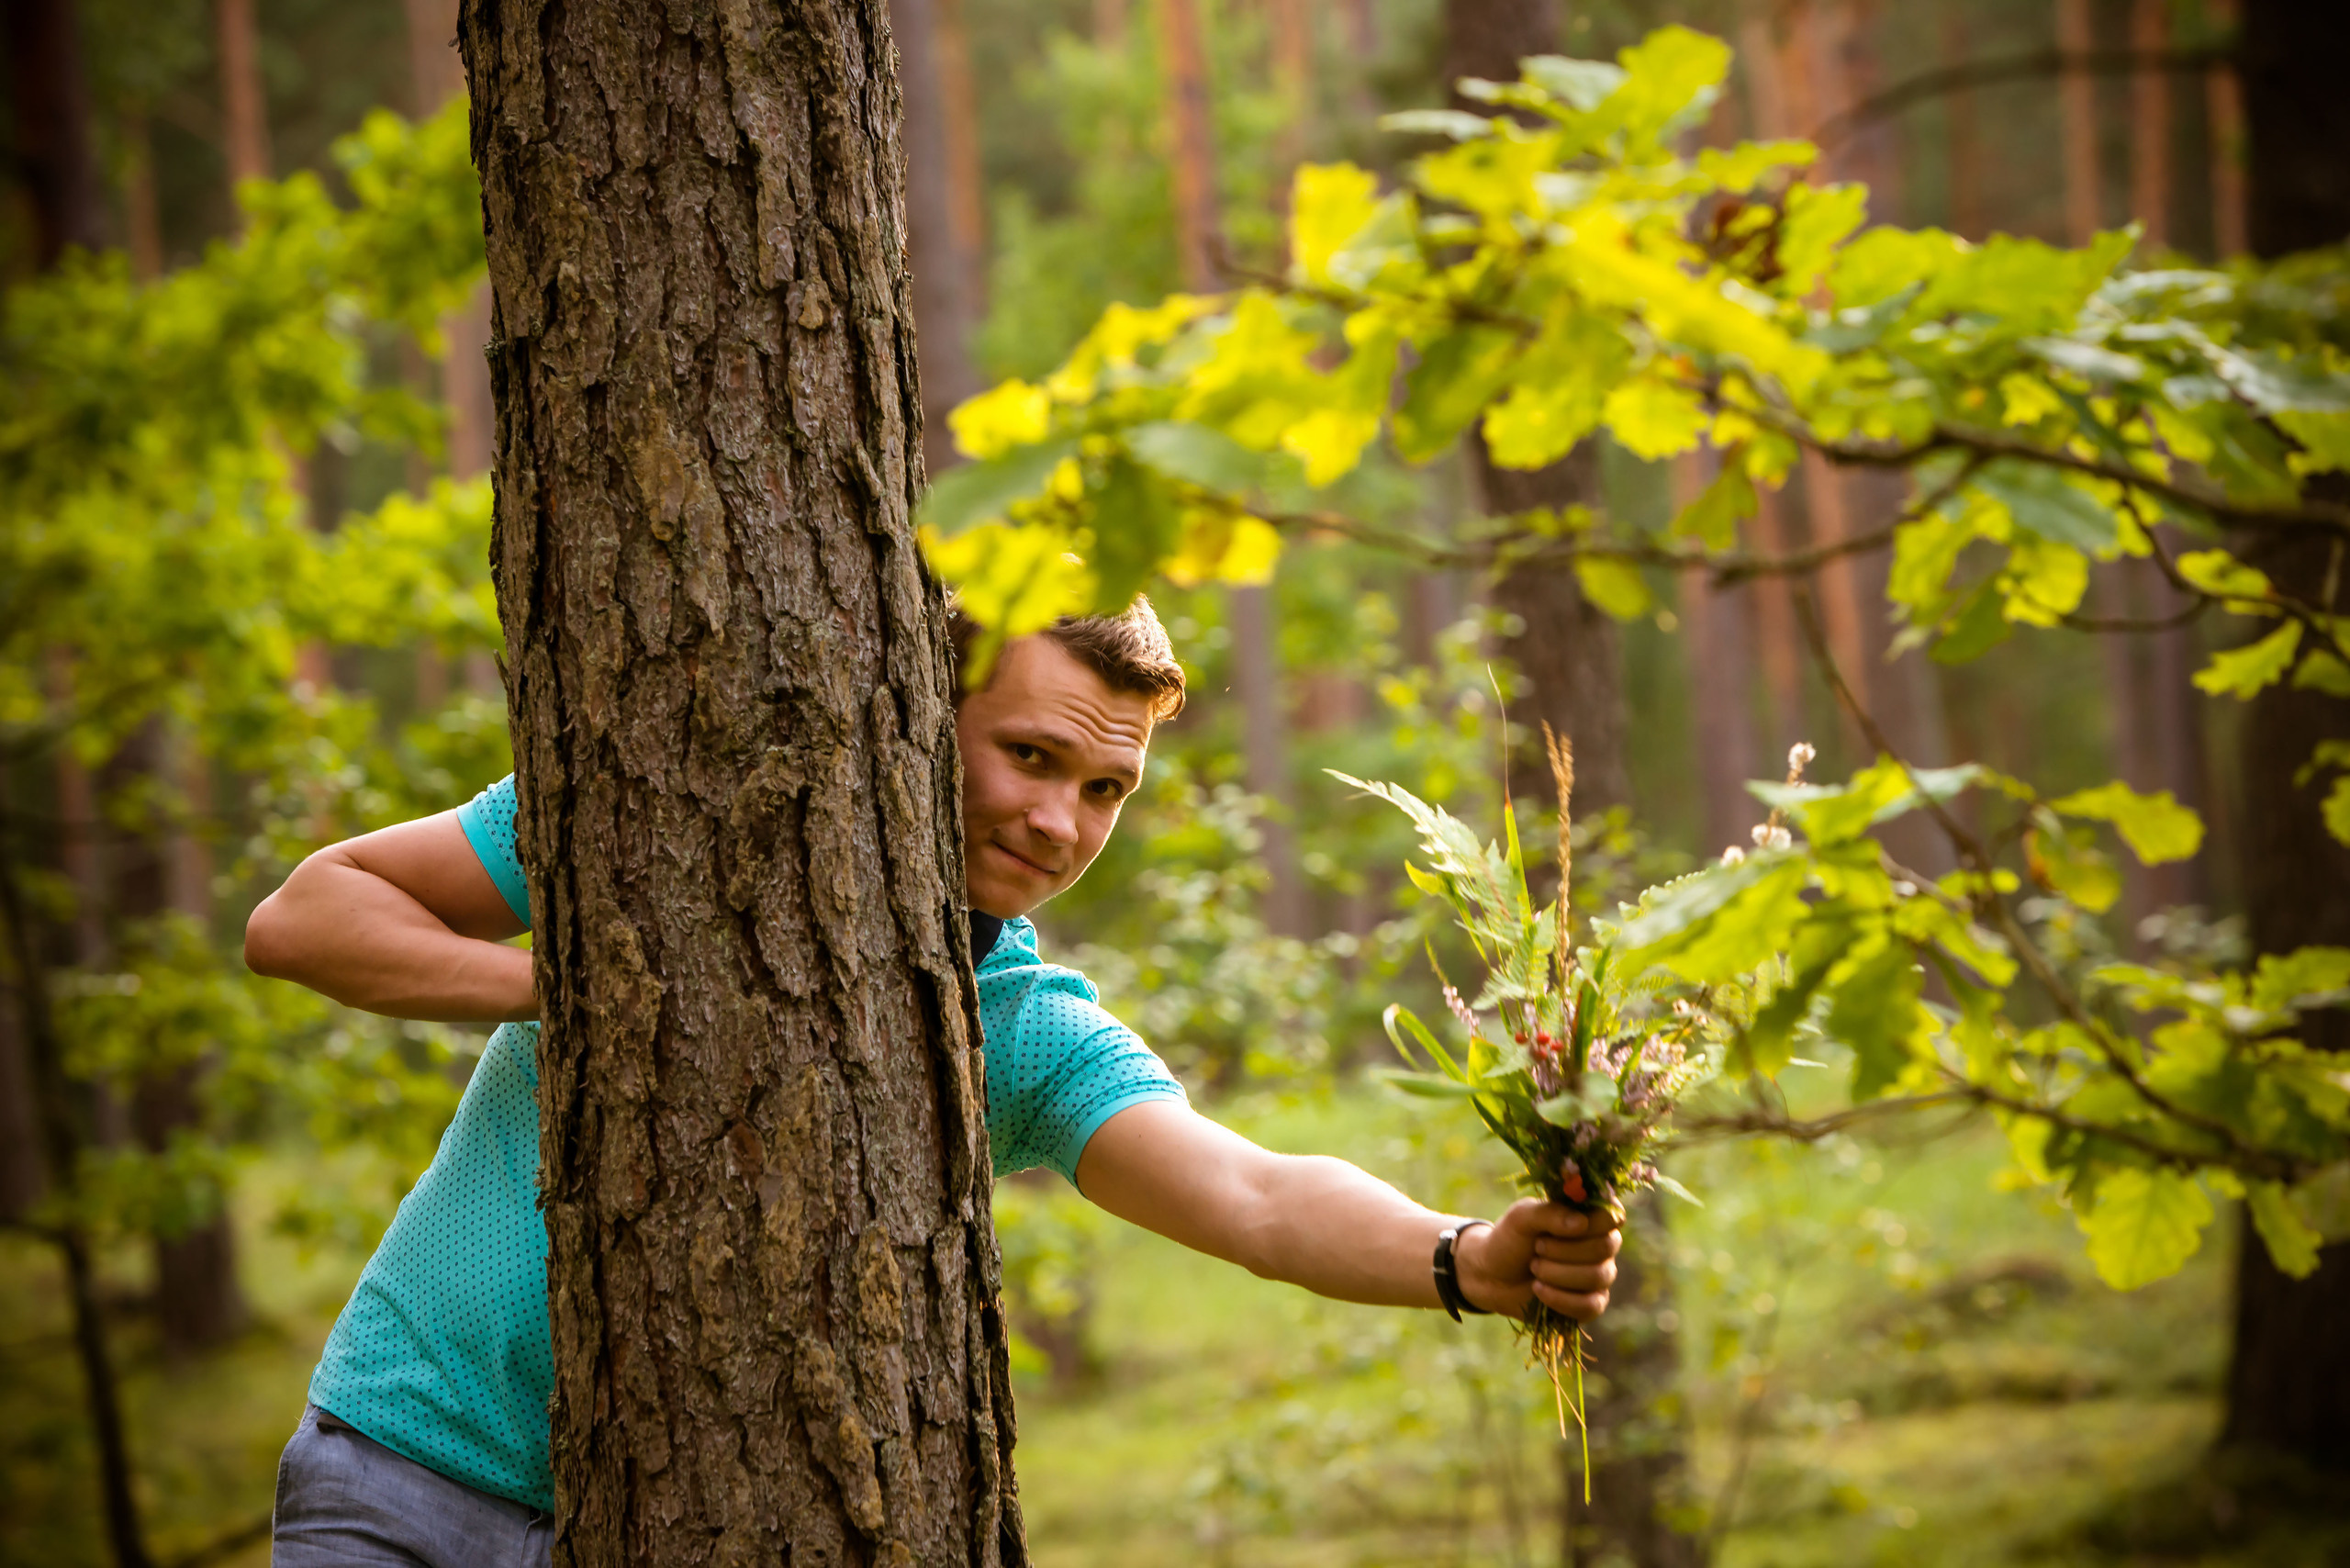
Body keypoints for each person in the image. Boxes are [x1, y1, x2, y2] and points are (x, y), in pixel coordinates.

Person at [244, 599, 1621, 1566]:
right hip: (395, 1481)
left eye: (1105, 790)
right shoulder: (654, 821)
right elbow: (304, 918)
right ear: (921, 710)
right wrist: (585, 985)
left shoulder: (1013, 1025)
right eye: (1029, 756)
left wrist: (1467, 1260)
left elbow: (1253, 1195)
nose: (1059, 821)